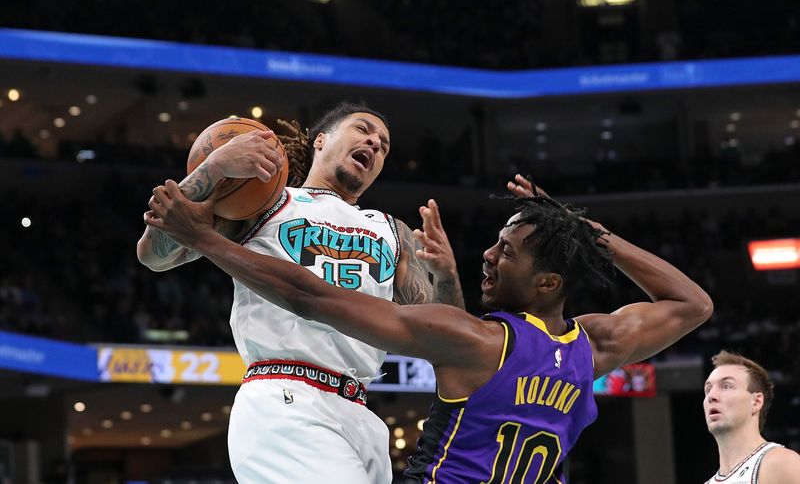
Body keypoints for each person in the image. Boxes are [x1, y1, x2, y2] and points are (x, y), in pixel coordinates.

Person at [145, 174, 714, 483]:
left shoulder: (478, 340)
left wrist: (203, 240)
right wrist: (587, 231)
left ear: (547, 283)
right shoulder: (595, 346)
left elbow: (308, 294)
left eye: (507, 252)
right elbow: (692, 303)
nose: (487, 255)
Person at [137, 102, 465, 483]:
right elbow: (154, 255)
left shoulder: (392, 231)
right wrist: (214, 167)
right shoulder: (265, 202)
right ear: (321, 141)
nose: (375, 143)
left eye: (384, 146)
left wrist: (447, 276)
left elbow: (446, 339)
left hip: (359, 409)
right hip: (285, 395)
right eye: (363, 130)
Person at [703, 351, 800, 483]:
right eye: (708, 389)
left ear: (756, 402)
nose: (711, 396)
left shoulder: (781, 464)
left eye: (726, 386)